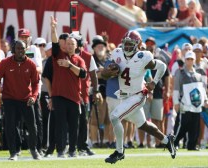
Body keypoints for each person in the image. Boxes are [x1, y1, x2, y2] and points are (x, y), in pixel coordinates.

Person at [101, 30, 176, 164]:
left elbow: (162, 66)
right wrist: (108, 71)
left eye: (130, 44)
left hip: (138, 95)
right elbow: (105, 75)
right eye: (126, 44)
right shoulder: (117, 53)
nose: (127, 47)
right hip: (124, 96)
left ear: (138, 44)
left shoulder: (143, 57)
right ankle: (167, 140)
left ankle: (119, 152)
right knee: (143, 125)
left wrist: (153, 82)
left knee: (114, 117)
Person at [0, 40, 41, 161]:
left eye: (23, 48)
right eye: (18, 48)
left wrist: (33, 97)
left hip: (26, 99)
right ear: (13, 50)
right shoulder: (5, 63)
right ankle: (13, 152)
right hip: (10, 99)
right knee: (10, 126)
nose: (20, 51)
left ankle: (34, 150)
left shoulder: (31, 64)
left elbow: (36, 84)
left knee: (32, 126)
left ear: (26, 50)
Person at [51, 16, 87, 158]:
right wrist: (53, 28)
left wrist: (70, 65)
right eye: (68, 43)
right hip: (59, 95)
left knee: (74, 126)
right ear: (64, 45)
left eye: (73, 44)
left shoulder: (79, 60)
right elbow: (54, 42)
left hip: (73, 97)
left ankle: (72, 150)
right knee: (60, 125)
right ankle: (60, 150)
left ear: (77, 46)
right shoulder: (59, 54)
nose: (70, 46)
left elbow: (83, 74)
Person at [69, 32, 100, 156]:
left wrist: (96, 91)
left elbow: (93, 75)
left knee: (83, 121)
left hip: (84, 94)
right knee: (70, 122)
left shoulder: (88, 56)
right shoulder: (65, 56)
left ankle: (83, 146)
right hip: (69, 94)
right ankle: (70, 146)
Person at [173, 51, 208, 150]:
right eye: (188, 59)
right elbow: (176, 89)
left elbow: (202, 90)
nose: (189, 61)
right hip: (185, 104)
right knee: (183, 126)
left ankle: (192, 145)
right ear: (185, 60)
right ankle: (174, 142)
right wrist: (176, 102)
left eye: (191, 59)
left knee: (195, 126)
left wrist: (205, 100)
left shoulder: (198, 75)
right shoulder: (180, 73)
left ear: (194, 60)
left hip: (196, 106)